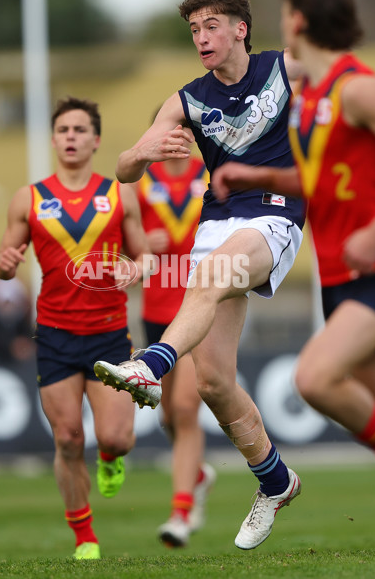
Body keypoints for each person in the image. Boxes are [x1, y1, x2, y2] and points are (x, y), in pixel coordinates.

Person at [211, 0, 375, 545]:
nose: (281, 22)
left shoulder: (358, 87)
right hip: (343, 280)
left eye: (285, 11)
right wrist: (259, 174)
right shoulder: (316, 96)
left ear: (301, 19)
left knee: (315, 378)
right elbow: (320, 179)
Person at [94, 0, 306, 551]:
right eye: (194, 30)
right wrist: (143, 153)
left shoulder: (286, 68)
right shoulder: (187, 99)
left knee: (209, 281)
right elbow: (122, 168)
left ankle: (150, 365)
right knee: (213, 381)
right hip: (217, 223)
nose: (202, 38)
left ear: (240, 28)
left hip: (274, 216)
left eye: (212, 26)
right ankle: (276, 480)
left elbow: (345, 94)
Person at [0, 96, 149, 560]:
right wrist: (2, 265)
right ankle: (85, 537)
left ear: (96, 140)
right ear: (54, 138)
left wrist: (137, 270)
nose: (72, 137)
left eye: (80, 130)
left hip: (110, 333)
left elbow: (146, 257)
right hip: (56, 335)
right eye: (63, 130)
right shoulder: (30, 198)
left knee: (116, 438)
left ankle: (111, 459)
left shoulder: (121, 195)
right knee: (67, 438)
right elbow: (4, 263)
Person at [136, 132, 215, 547]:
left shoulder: (212, 176)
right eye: (170, 132)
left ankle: (181, 512)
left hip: (197, 310)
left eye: (186, 131)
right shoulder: (140, 184)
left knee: (185, 408)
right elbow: (116, 243)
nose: (178, 139)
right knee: (169, 417)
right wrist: (141, 247)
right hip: (155, 314)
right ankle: (198, 475)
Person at [0, 277, 35, 363]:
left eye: (11, 304)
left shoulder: (24, 324)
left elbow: (30, 341)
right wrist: (10, 348)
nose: (8, 309)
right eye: (5, 304)